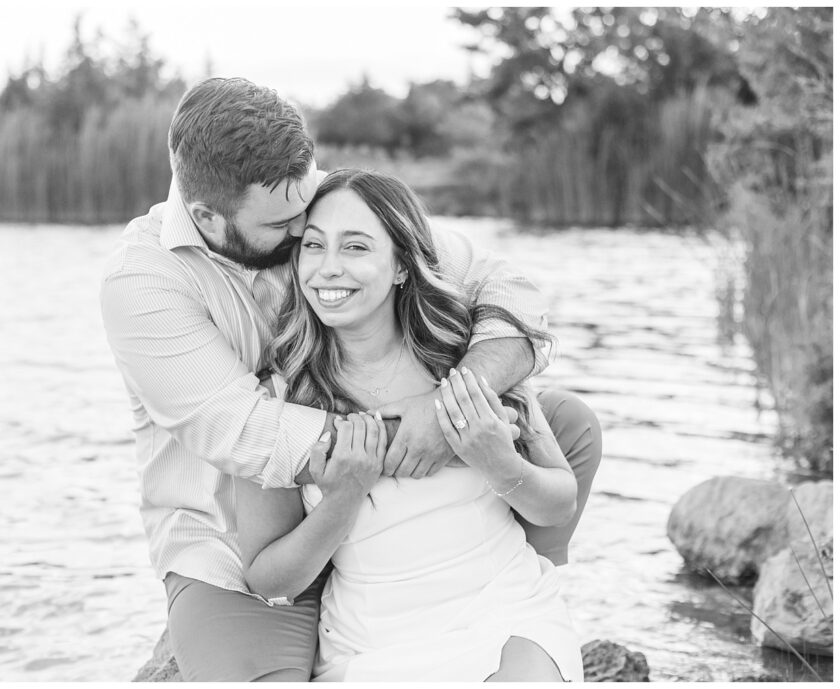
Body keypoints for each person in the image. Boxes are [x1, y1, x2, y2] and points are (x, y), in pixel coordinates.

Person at [99, 77, 601, 681]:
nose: (306, 239)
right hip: (238, 537)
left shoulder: (319, 205)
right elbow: (247, 434)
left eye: (308, 209)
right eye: (290, 230)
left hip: (421, 527)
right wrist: (434, 429)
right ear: (208, 215)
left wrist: (456, 401)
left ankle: (512, 587)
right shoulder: (144, 283)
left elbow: (508, 289)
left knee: (568, 423)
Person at [235, 169, 584, 681]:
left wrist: (499, 463)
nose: (329, 269)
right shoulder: (280, 396)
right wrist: (342, 499)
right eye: (314, 246)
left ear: (401, 264)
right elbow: (267, 579)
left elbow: (559, 504)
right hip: (373, 643)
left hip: (505, 611)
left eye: (356, 248)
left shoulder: (465, 356)